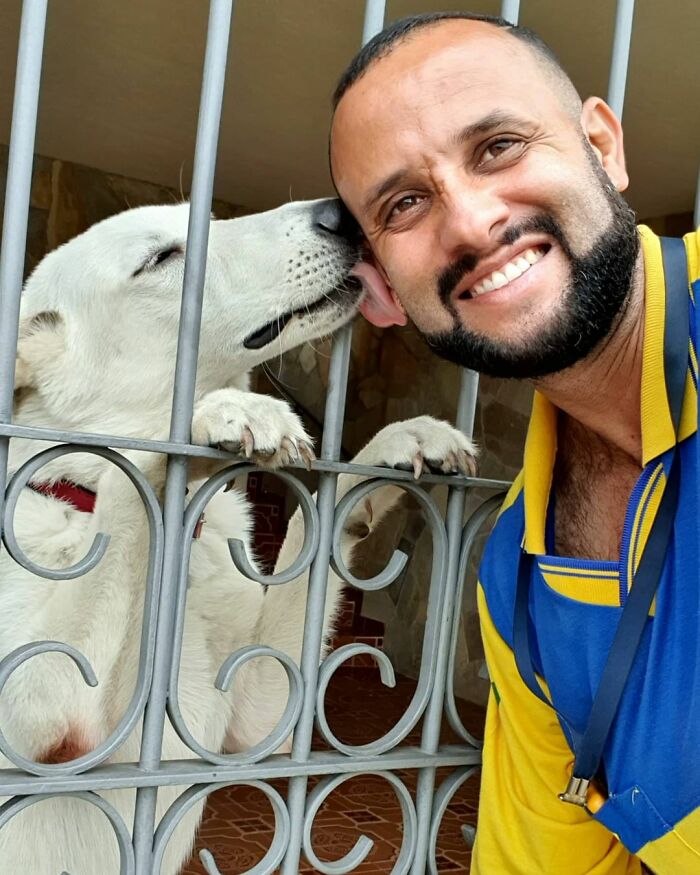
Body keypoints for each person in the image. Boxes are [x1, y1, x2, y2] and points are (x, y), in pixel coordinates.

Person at [329, 12, 700, 875]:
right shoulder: (517, 581)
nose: (468, 220)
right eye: (405, 203)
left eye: (497, 146)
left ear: (602, 145)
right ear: (385, 289)